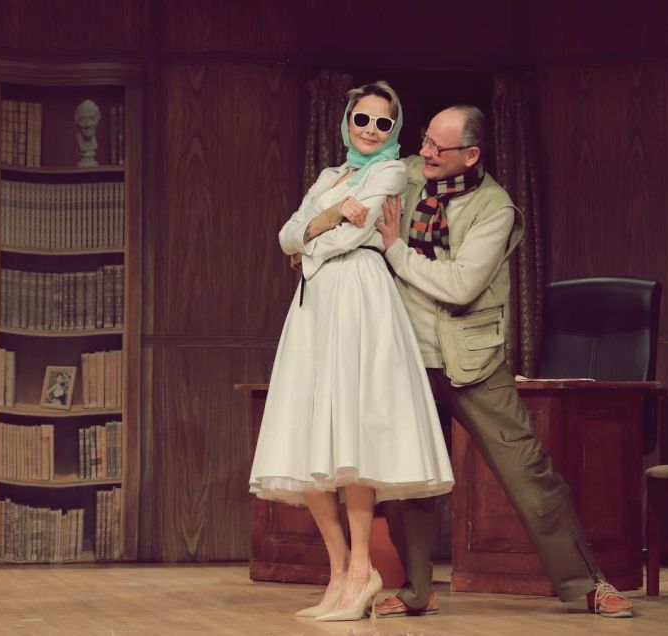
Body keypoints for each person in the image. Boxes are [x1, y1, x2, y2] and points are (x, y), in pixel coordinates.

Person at [372, 105, 634, 619]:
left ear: (471, 155)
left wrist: (395, 250)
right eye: (425, 140)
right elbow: (349, 194)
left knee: (527, 472)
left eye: (437, 147)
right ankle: (416, 590)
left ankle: (588, 583)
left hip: (471, 360)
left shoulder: (495, 209)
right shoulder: (406, 176)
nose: (424, 152)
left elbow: (461, 286)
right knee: (407, 479)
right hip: (404, 356)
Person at [248, 82, 454, 622]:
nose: (371, 130)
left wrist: (313, 238)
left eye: (384, 123)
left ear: (394, 130)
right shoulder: (328, 178)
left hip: (359, 295)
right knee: (310, 432)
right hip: (315, 304)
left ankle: (364, 569)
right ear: (347, 120)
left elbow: (349, 239)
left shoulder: (390, 173)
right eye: (362, 119)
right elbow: (285, 235)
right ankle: (339, 570)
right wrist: (327, 217)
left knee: (353, 432)